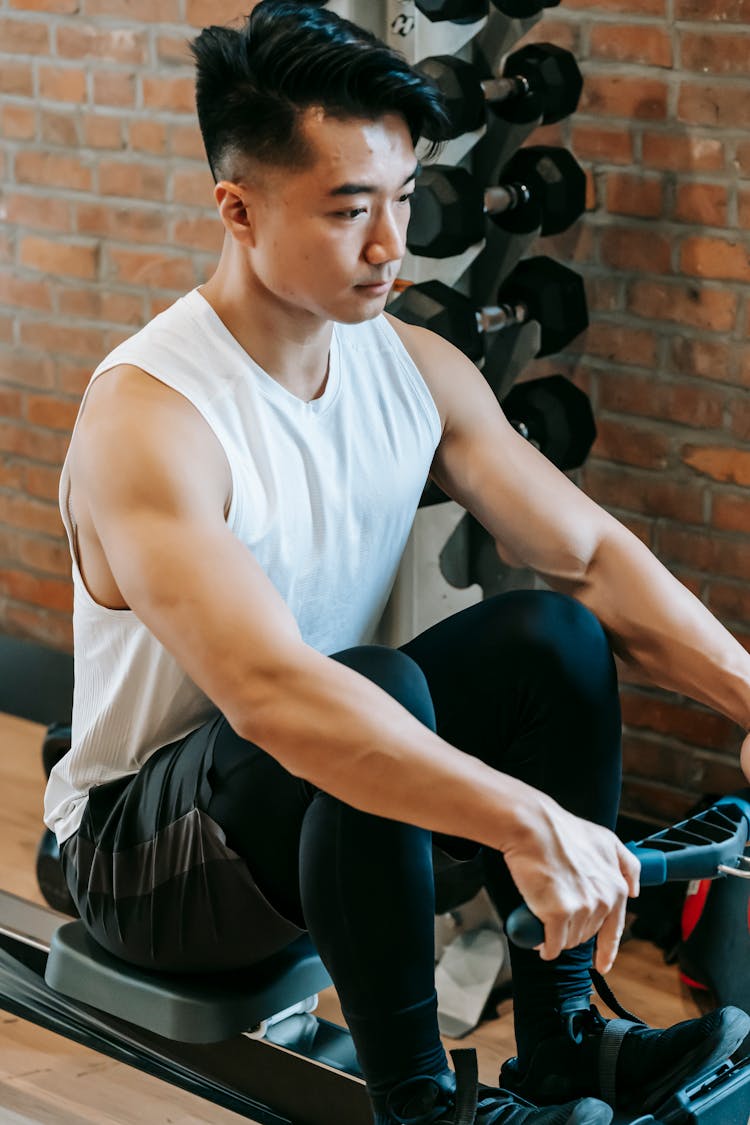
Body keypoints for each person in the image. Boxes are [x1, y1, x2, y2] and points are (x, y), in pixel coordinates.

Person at [44, 3, 750, 1123]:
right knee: (370, 689)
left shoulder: (412, 365)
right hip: (148, 855)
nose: (392, 246)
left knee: (550, 638)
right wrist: (527, 820)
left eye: (406, 200)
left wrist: (745, 694)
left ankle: (563, 1045)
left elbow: (592, 555)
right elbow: (277, 697)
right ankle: (423, 1110)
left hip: (317, 792)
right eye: (348, 209)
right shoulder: (153, 417)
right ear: (237, 208)